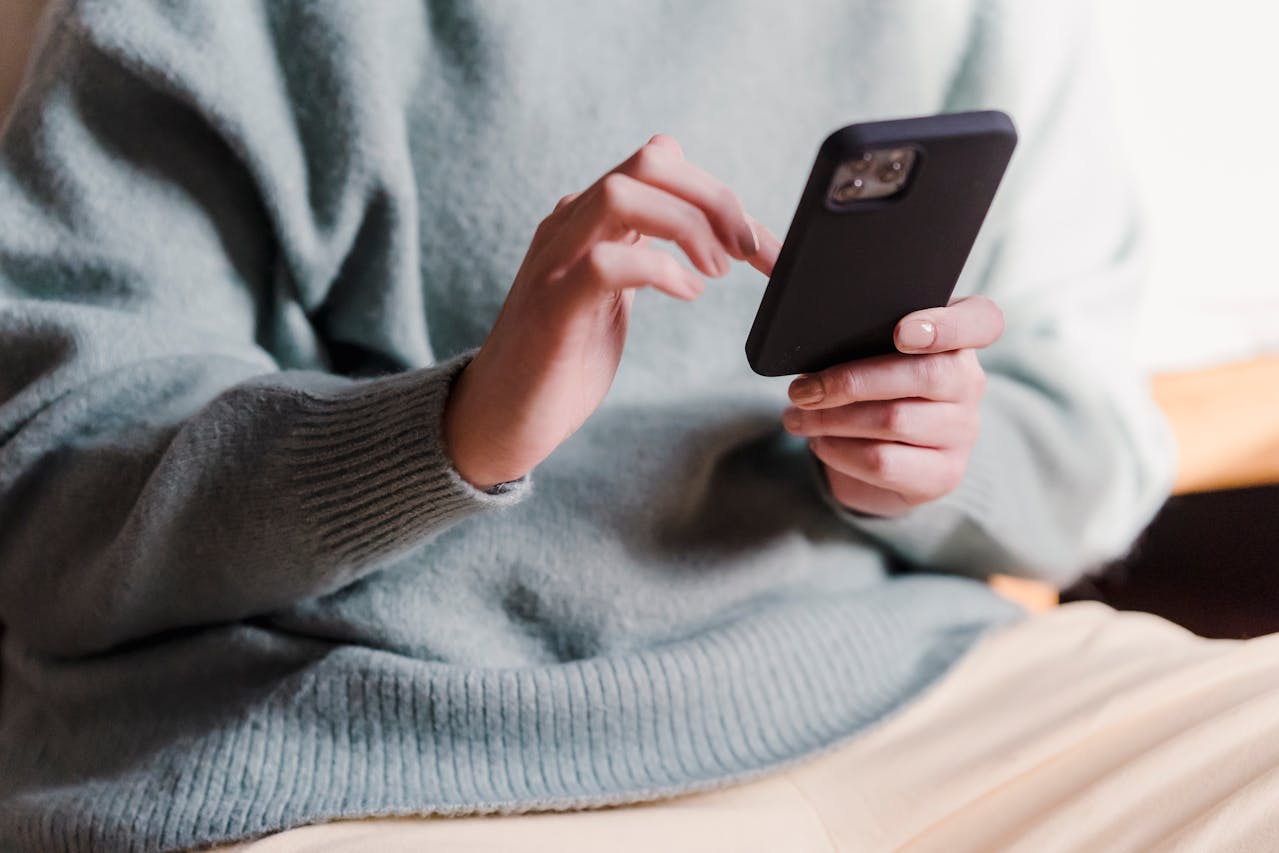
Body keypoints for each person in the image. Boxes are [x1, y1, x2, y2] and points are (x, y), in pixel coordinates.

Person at [4, 1, 1278, 851]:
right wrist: (453, 429)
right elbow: (47, 492)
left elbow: (1096, 445)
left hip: (906, 687)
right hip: (370, 751)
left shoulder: (978, 19)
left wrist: (939, 458)